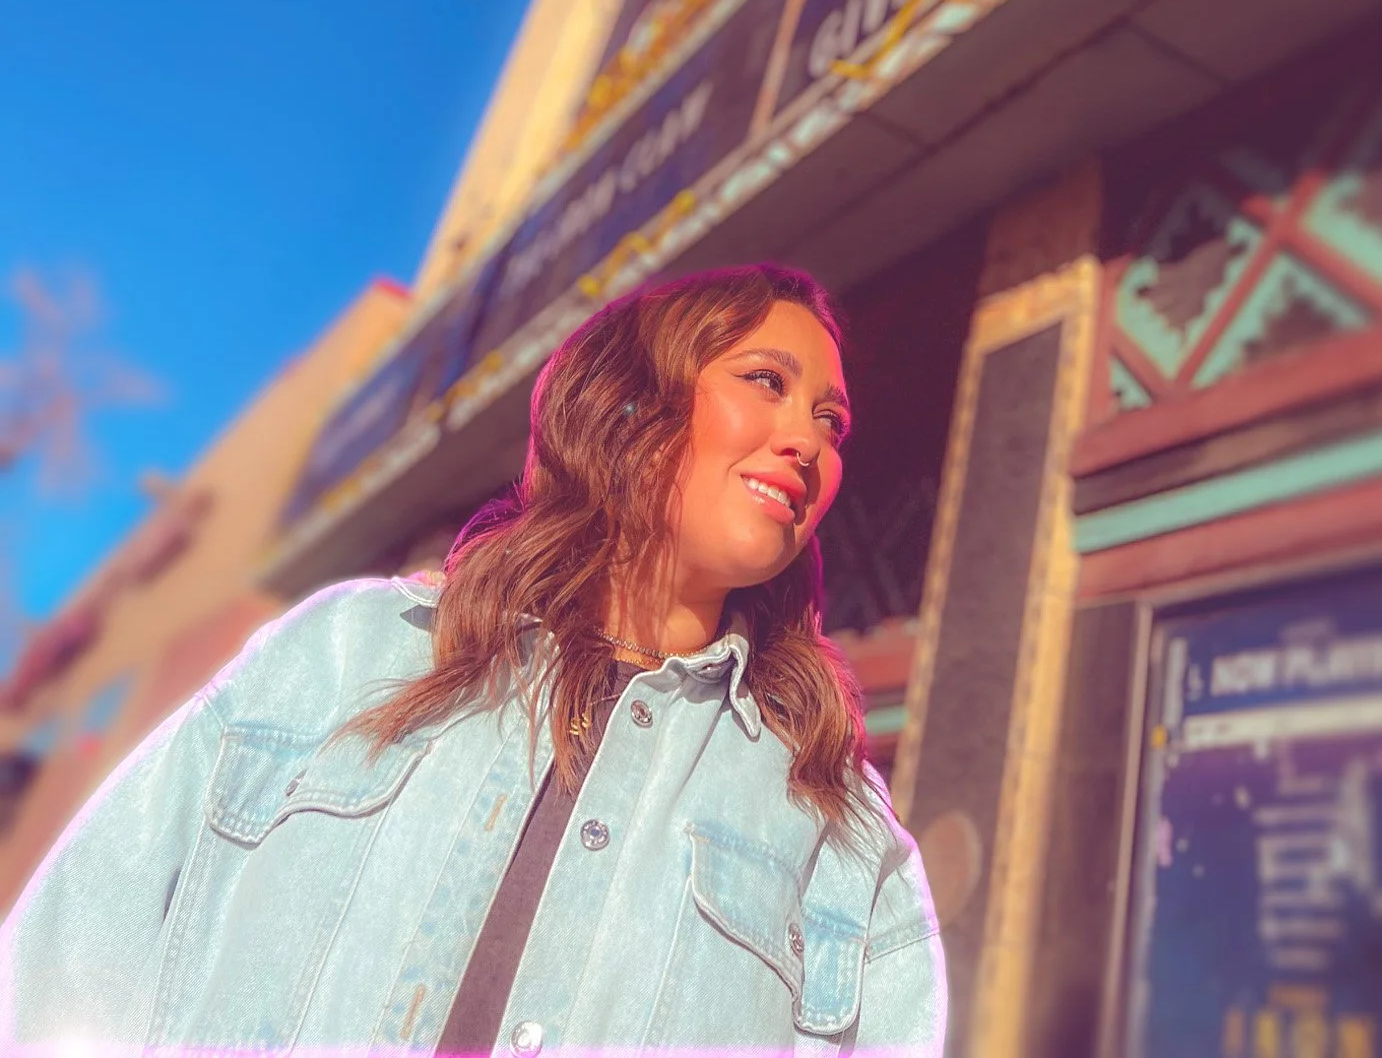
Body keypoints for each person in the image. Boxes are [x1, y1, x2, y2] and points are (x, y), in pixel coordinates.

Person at [0, 263, 946, 1055]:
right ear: (631, 402)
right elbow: (66, 964)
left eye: (833, 422)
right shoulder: (348, 654)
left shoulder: (839, 830)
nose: (807, 442)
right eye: (766, 383)